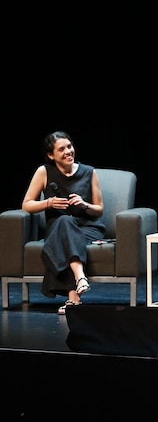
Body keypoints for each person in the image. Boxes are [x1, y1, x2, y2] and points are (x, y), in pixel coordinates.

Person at [22, 131, 105, 315]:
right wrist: (48, 203)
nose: (68, 151)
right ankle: (80, 278)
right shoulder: (44, 171)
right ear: (51, 155)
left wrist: (84, 204)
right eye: (62, 149)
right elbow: (26, 205)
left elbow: (99, 209)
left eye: (70, 146)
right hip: (58, 228)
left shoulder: (89, 172)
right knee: (64, 222)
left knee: (65, 236)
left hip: (87, 228)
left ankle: (74, 297)